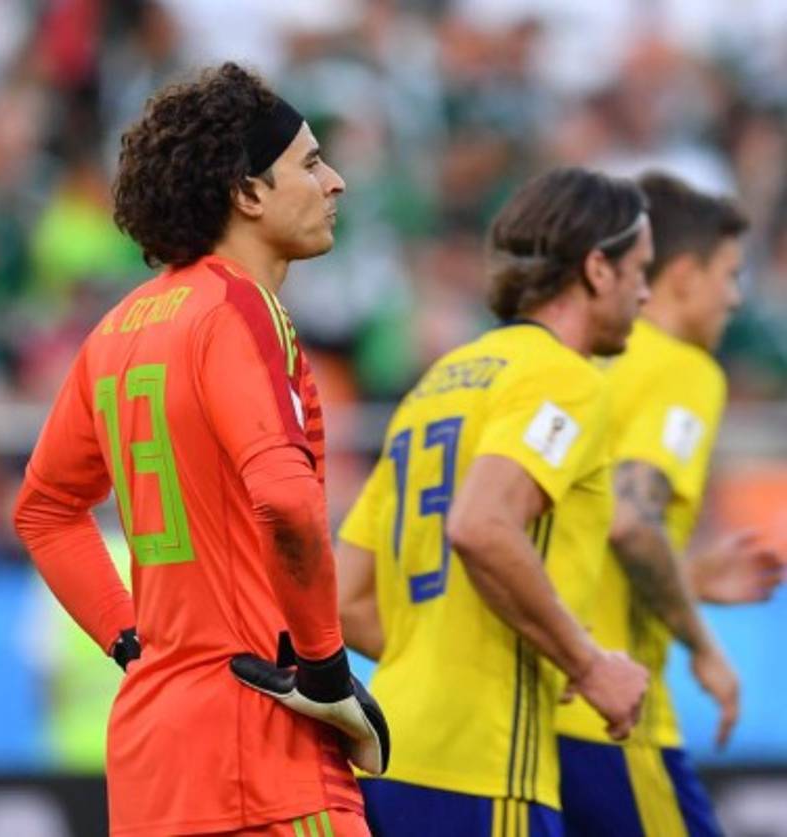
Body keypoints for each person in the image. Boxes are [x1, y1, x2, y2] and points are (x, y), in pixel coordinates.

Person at [14, 62, 386, 836]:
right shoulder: (240, 309)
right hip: (264, 749)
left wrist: (131, 641)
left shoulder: (118, 327)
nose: (336, 182)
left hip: (157, 756)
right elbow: (284, 498)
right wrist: (323, 667)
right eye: (311, 163)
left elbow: (45, 509)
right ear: (247, 193)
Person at [336, 167, 652, 836]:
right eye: (639, 270)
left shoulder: (437, 384)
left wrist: (449, 648)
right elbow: (481, 524)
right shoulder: (564, 378)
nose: (646, 292)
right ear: (598, 268)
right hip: (484, 763)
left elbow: (346, 598)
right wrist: (587, 662)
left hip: (388, 757)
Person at [556, 171, 785, 836]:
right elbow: (631, 519)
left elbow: (581, 534)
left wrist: (684, 577)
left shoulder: (574, 361)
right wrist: (703, 643)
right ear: (682, 275)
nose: (736, 298)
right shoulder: (682, 368)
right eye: (730, 275)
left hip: (526, 710)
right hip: (615, 714)